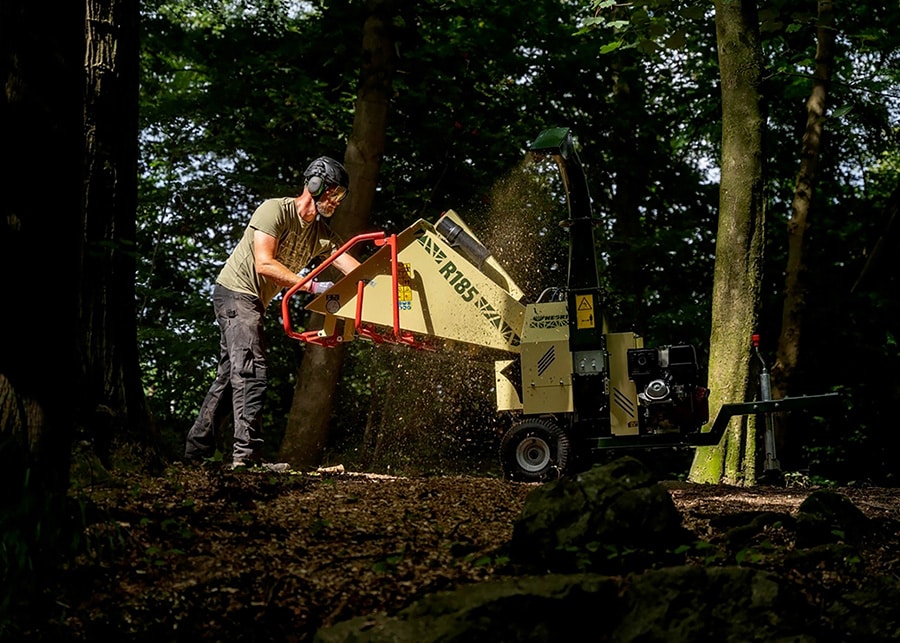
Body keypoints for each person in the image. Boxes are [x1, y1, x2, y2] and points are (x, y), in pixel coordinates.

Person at [184, 156, 360, 470]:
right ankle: (246, 458)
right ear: (315, 185)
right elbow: (263, 263)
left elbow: (352, 268)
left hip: (254, 303)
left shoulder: (320, 233)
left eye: (341, 196)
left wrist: (383, 282)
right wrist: (312, 286)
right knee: (251, 369)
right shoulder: (274, 210)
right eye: (333, 193)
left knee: (228, 379)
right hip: (235, 294)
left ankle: (196, 453)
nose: (336, 201)